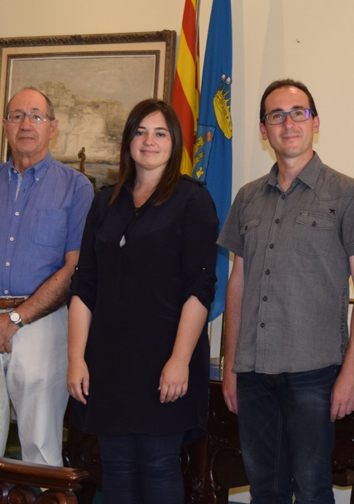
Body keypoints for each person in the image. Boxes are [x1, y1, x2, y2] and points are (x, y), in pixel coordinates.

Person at [218, 79, 354, 504]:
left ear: (314, 124)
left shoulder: (348, 194)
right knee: (264, 490)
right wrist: (230, 364)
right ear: (263, 130)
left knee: (312, 490)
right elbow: (238, 281)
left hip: (315, 372)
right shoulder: (247, 198)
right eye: (276, 115)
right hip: (253, 371)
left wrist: (351, 373)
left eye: (298, 113)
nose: (287, 122)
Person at [67, 98, 218, 503]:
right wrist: (76, 358)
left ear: (174, 142)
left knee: (158, 466)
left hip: (165, 360)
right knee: (115, 470)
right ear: (128, 141)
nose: (149, 141)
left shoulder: (193, 201)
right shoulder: (104, 202)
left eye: (160, 133)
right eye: (140, 131)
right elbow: (85, 284)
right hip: (108, 362)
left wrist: (180, 360)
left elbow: (200, 287)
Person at [0, 87, 94, 466]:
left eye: (36, 116)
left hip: (41, 328)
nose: (26, 124)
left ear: (53, 127)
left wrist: (11, 321)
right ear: (5, 125)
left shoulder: (77, 188)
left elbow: (75, 268)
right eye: (17, 115)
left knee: (40, 448)